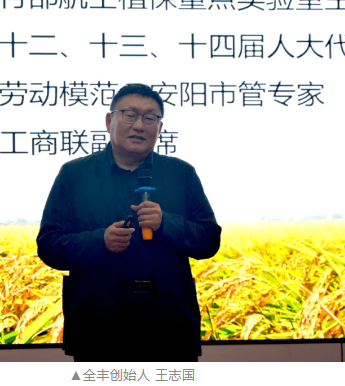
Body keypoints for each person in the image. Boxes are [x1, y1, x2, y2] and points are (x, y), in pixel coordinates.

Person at [37, 83, 221, 362]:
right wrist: (100, 241)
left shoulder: (181, 173)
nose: (139, 125)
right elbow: (49, 245)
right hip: (98, 325)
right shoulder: (75, 174)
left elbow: (209, 240)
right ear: (109, 121)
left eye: (150, 118)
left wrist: (166, 223)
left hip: (169, 325)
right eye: (130, 115)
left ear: (160, 128)